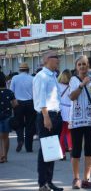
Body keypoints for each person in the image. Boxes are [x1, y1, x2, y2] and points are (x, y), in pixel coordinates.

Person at [33, 51, 64, 191]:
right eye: (55, 57)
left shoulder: (53, 76)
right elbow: (41, 99)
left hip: (56, 115)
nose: (58, 60)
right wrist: (46, 117)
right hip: (47, 115)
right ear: (46, 59)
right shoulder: (42, 76)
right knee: (45, 150)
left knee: (52, 151)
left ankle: (49, 181)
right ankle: (42, 183)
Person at [69, 55, 91, 189]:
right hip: (76, 120)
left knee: (89, 150)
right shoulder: (73, 80)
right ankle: (76, 179)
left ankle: (87, 178)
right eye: (79, 64)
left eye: (84, 64)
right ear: (76, 67)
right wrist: (82, 85)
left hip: (90, 119)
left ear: (88, 66)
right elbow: (72, 97)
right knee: (76, 150)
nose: (82, 67)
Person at [10, 62, 36, 152]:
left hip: (18, 103)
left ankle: (20, 139)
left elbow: (11, 92)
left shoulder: (15, 78)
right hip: (30, 103)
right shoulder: (32, 78)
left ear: (20, 70)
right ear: (28, 70)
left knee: (19, 124)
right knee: (30, 125)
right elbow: (35, 93)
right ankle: (29, 147)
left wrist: (13, 103)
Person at [0, 74, 17, 163]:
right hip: (7, 116)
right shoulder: (9, 92)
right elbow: (15, 104)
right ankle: (5, 156)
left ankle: (0, 156)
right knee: (5, 137)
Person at [58, 69, 73, 161]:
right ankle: (71, 149)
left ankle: (62, 153)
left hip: (61, 110)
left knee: (61, 133)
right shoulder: (71, 86)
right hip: (70, 110)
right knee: (69, 132)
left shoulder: (58, 86)